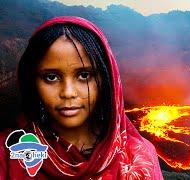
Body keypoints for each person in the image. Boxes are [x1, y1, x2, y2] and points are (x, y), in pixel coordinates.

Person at [0, 16, 163, 179]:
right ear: (32, 82)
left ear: (106, 79)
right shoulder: (7, 153)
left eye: (84, 75)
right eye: (51, 77)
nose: (68, 92)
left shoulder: (139, 156)